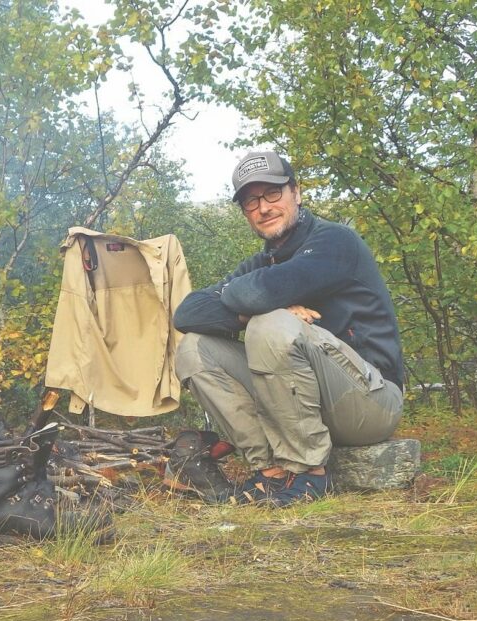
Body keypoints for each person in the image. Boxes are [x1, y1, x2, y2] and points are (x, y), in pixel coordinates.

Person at [171, 151, 405, 506]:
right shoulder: (261, 262)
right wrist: (247, 312)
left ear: (296, 192)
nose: (263, 208)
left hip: (370, 404)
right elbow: (188, 313)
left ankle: (309, 473)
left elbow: (258, 291)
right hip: (302, 401)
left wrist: (258, 303)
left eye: (272, 194)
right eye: (251, 201)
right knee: (194, 348)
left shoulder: (335, 241)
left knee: (271, 323)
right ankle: (270, 471)